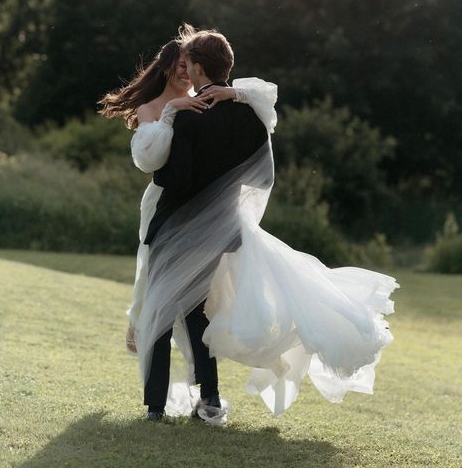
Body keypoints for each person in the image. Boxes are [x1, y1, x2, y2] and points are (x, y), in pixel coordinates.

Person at [100, 24, 399, 424]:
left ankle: (155, 407)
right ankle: (209, 399)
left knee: (159, 308)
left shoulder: (186, 118)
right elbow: (261, 177)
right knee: (195, 312)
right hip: (220, 230)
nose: (185, 71)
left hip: (174, 226)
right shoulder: (250, 116)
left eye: (189, 63)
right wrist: (223, 192)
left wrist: (180, 149)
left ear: (200, 69)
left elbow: (175, 180)